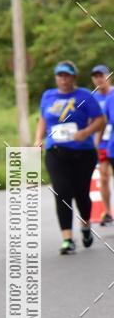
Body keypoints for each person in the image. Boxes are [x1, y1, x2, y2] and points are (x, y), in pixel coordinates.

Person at [34, 61, 105, 254]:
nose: (63, 79)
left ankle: (85, 225)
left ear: (74, 77)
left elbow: (101, 120)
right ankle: (67, 239)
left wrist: (86, 132)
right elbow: (42, 119)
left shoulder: (84, 96)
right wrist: (38, 139)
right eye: (60, 76)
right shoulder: (48, 96)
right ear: (56, 78)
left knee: (81, 193)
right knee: (62, 192)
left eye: (67, 76)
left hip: (83, 153)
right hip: (56, 152)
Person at [90, 65, 113, 225]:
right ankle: (107, 211)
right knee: (104, 177)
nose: (99, 79)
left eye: (101, 75)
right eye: (95, 76)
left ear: (108, 76)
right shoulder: (92, 98)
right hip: (101, 143)